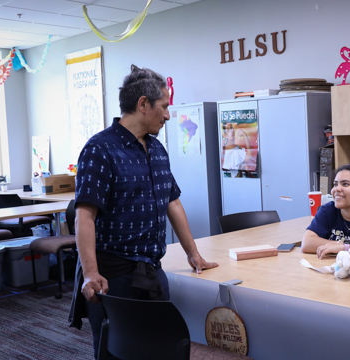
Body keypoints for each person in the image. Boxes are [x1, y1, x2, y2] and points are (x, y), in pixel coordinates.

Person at [69, 65, 219, 358]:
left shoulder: (157, 149)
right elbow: (84, 216)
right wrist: (90, 273)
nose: (168, 115)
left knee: (158, 349)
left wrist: (193, 253)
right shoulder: (100, 149)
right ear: (143, 104)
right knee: (116, 351)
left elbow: (172, 201)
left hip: (151, 269)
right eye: (163, 107)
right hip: (113, 275)